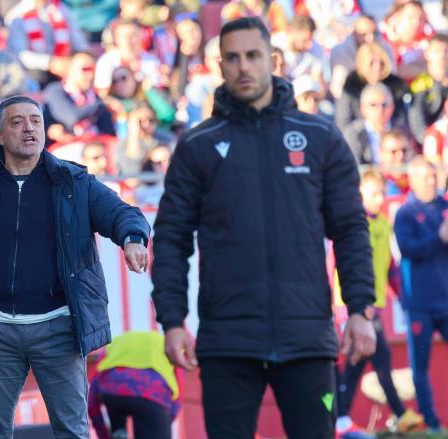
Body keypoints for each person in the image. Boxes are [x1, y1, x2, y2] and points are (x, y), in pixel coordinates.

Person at [151, 17, 377, 439]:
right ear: (220, 66)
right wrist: (173, 320)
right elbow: (171, 238)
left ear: (272, 59)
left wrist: (362, 309)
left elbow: (350, 229)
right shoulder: (198, 145)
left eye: (253, 56)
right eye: (232, 58)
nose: (243, 67)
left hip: (307, 336)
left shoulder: (319, 136)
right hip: (227, 341)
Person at [0, 95, 150, 437]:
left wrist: (133, 238)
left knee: (72, 430)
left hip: (58, 326)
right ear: (0, 136)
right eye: (17, 122)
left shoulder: (73, 183)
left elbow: (121, 212)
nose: (29, 128)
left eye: (35, 120)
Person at [334, 169, 424, 437]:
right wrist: (348, 307)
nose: (379, 198)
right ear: (360, 194)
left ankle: (339, 418)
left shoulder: (383, 223)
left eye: (382, 194)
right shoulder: (353, 223)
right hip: (353, 308)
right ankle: (397, 414)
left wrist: (401, 294)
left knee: (358, 364)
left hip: (374, 305)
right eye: (374, 193)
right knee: (372, 359)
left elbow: (388, 266)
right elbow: (336, 264)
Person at [393, 156, 448, 433]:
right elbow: (407, 248)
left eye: (434, 176)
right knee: (421, 365)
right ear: (413, 180)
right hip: (420, 302)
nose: (432, 181)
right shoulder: (405, 213)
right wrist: (438, 237)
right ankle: (430, 421)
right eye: (426, 177)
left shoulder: (445, 206)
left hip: (446, 298)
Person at [88, 331, 183, 439]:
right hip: (152, 394)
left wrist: (104, 436)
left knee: (117, 399)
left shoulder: (114, 344)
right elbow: (178, 395)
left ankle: (119, 433)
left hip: (114, 391)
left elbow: (93, 398)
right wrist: (162, 423)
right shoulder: (168, 345)